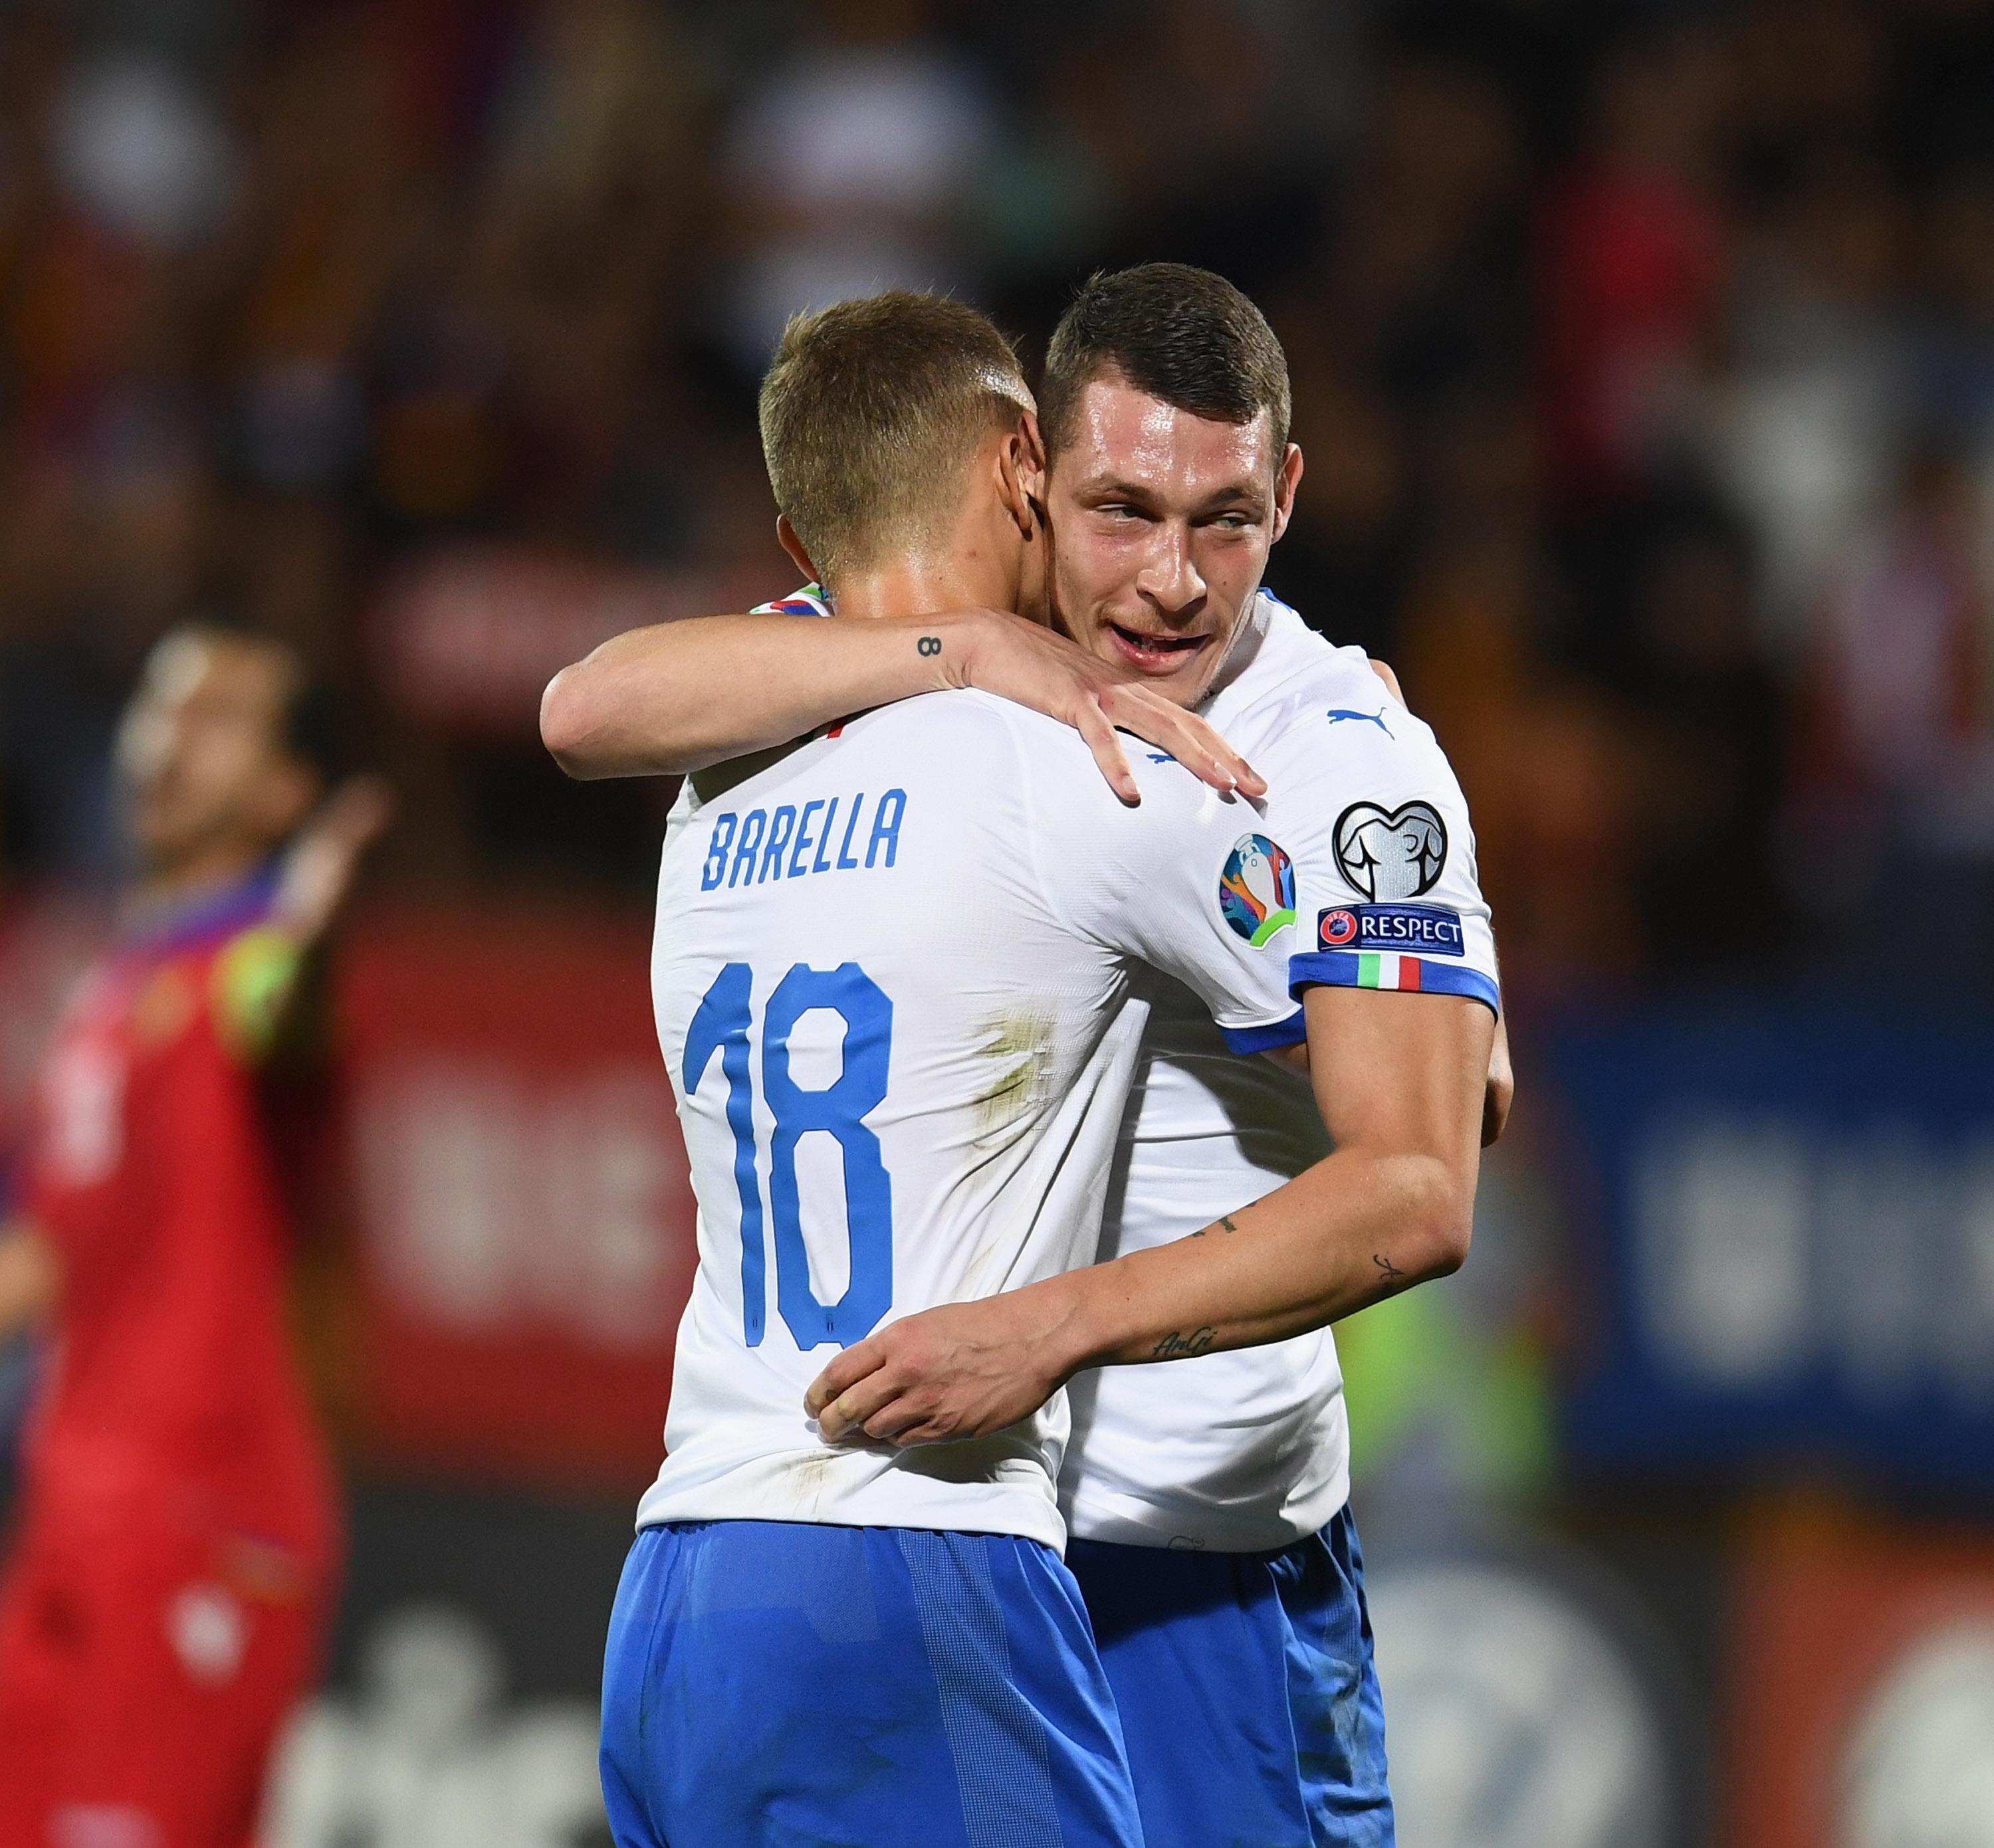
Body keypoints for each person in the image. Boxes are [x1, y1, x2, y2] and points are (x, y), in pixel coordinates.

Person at [545, 265, 1508, 1847]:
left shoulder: (1338, 758)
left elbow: (1438, 1140)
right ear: (1029, 476)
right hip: (952, 1536)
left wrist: (1045, 1329)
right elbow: (590, 703)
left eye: (1229, 521)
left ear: (1291, 498)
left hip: (1195, 1565)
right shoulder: (900, 664)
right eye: (1121, 510)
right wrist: (966, 651)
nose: (1176, 581)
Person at [0, 623, 387, 1848]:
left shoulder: (247, 968)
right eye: (161, 706)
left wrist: (308, 934)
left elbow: (281, 1007)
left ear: (284, 789)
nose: (170, 737)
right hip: (67, 1528)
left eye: (217, 717)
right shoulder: (110, 990)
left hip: (202, 1528)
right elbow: (42, 1257)